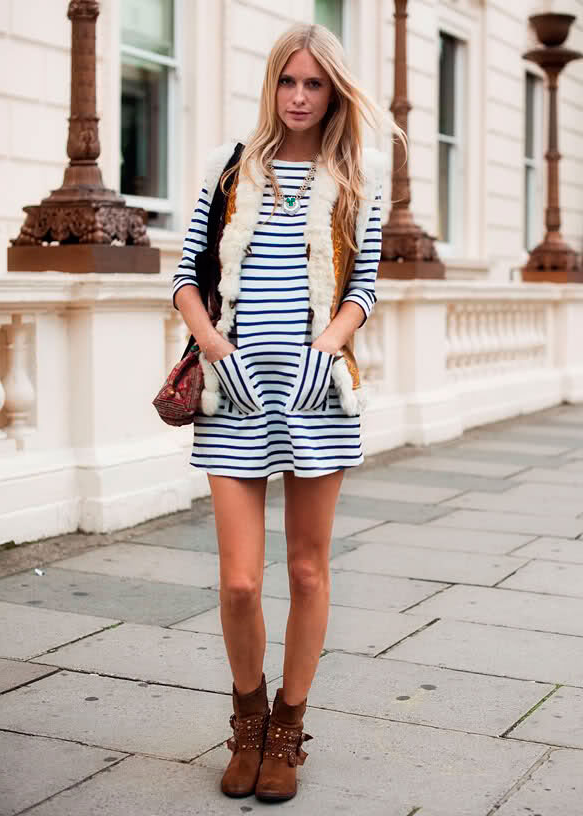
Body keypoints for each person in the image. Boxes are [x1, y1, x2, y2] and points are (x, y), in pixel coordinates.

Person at [173, 21, 404, 803]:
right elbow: (185, 276)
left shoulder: (356, 178)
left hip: (316, 394)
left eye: (314, 84)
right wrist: (214, 349)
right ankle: (247, 721)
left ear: (333, 93)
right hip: (232, 393)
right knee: (240, 582)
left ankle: (287, 730)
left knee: (307, 569)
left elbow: (364, 288)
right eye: (288, 80)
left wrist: (323, 350)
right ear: (271, 84)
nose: (299, 96)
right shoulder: (230, 168)